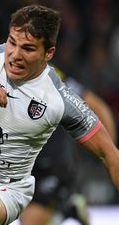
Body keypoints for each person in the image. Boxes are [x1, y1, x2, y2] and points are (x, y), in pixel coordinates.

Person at [0, 4, 119, 225]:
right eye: (12, 42)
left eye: (28, 49)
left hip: (9, 187)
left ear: (48, 53)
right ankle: (67, 208)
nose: (15, 55)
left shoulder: (60, 98)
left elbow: (109, 152)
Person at [20, 72, 117, 225]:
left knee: (32, 219)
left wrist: (109, 152)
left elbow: (97, 105)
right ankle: (67, 207)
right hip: (19, 162)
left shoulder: (51, 76)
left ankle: (62, 207)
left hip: (52, 163)